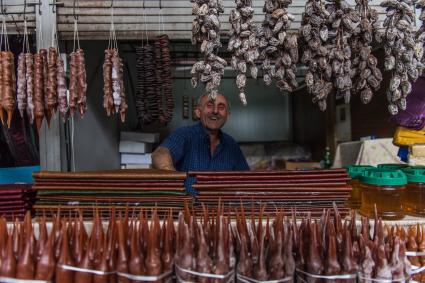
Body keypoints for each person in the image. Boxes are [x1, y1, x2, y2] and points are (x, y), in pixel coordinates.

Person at [152, 93, 249, 172]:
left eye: (221, 107)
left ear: (227, 115)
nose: (215, 111)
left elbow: (245, 178)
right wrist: (174, 182)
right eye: (210, 105)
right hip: (189, 196)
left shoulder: (231, 144)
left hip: (220, 196)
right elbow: (160, 154)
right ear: (198, 112)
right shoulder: (184, 135)